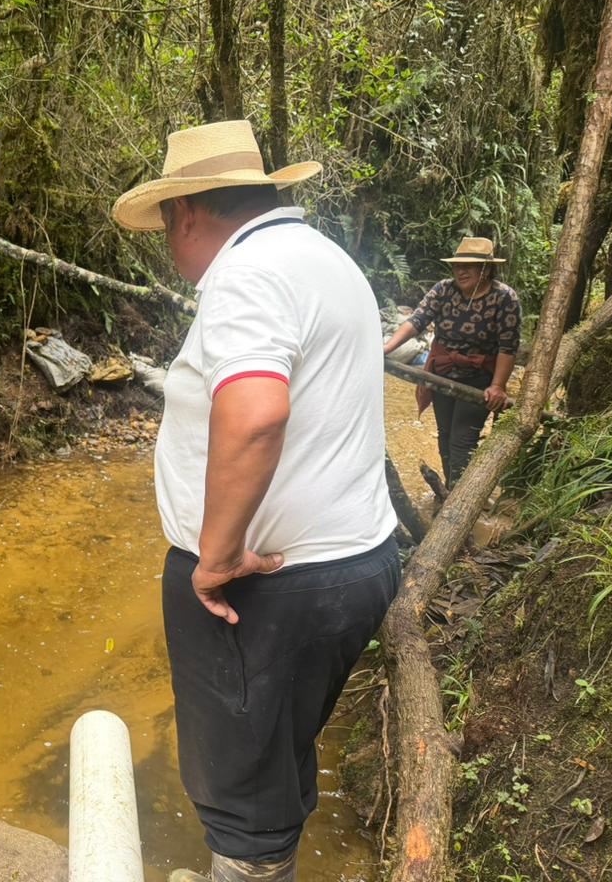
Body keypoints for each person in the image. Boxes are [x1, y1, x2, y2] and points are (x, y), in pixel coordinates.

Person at [113, 120, 400, 882]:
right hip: (355, 564)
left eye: (165, 230)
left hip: (269, 589)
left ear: (186, 214)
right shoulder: (324, 261)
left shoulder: (247, 274)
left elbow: (256, 414)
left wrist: (214, 558)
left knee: (241, 802)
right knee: (276, 756)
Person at [382, 237, 521, 488]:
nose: (460, 271)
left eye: (468, 266)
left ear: (486, 269)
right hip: (443, 373)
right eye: (457, 266)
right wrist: (387, 348)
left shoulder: (504, 298)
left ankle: (462, 497)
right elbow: (417, 320)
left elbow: (508, 347)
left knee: (462, 439)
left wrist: (498, 385)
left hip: (479, 377)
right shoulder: (443, 290)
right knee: (445, 435)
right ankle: (451, 489)